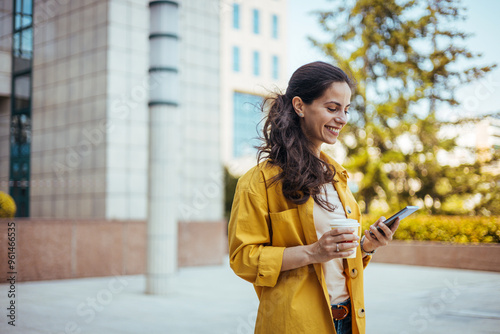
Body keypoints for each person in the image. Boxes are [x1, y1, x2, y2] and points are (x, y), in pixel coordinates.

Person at [227, 61, 400, 334]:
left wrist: (366, 246)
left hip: (348, 320)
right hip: (295, 324)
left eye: (346, 110)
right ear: (299, 106)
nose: (342, 118)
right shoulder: (258, 182)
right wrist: (312, 252)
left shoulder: (338, 177)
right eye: (332, 108)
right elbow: (244, 259)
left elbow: (338, 260)